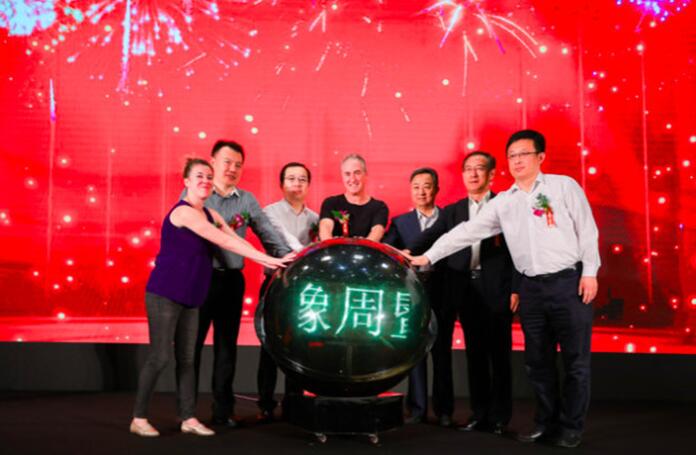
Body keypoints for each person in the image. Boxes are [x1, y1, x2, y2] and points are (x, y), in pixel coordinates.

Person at [409, 130, 600, 449]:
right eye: (512, 155)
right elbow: (467, 231)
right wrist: (428, 256)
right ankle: (546, 423)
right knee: (537, 362)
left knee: (575, 362)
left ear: (540, 157)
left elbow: (587, 229)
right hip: (531, 289)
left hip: (568, 282)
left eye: (524, 154)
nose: (518, 160)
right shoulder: (505, 202)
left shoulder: (563, 186)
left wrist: (590, 272)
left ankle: (571, 427)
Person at [130, 158, 290, 437]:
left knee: (187, 359)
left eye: (208, 176)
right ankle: (139, 418)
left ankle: (188, 418)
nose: (205, 180)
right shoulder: (184, 213)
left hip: (192, 294)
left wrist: (272, 258)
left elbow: (236, 240)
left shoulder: (211, 213)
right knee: (160, 357)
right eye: (199, 176)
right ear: (187, 182)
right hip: (165, 293)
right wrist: (268, 260)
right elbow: (222, 240)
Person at [185, 141, 293, 428]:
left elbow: (267, 232)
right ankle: (187, 412)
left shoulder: (246, 200)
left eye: (238, 165)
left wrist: (287, 257)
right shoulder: (196, 193)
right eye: (227, 162)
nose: (232, 169)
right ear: (212, 162)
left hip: (232, 281)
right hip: (199, 279)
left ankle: (223, 411)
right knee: (191, 348)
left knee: (226, 348)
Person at [409, 152, 516, 434]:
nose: (473, 174)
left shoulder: (505, 206)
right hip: (465, 289)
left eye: (479, 169)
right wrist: (405, 252)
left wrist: (516, 288)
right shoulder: (454, 210)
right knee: (475, 355)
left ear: (491, 174)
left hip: (497, 289)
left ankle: (500, 418)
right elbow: (432, 236)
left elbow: (519, 249)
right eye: (468, 169)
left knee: (499, 356)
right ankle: (479, 415)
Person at [383, 168, 448, 426]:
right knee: (416, 351)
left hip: (444, 289)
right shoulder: (401, 222)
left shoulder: (450, 218)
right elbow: (388, 249)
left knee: (442, 352)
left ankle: (444, 411)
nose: (421, 192)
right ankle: (418, 409)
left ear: (436, 189)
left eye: (427, 186)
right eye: (416, 187)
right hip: (413, 293)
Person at [256, 162, 319, 422]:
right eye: (291, 178)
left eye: (302, 179)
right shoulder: (268, 212)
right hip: (275, 283)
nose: (297, 183)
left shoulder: (316, 219)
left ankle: (294, 403)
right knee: (269, 345)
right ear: (282, 184)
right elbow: (281, 241)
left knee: (299, 346)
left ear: (308, 185)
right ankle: (265, 404)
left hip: (302, 290)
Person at [318, 154, 388, 241]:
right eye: (347, 174)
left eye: (357, 173)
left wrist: (360, 248)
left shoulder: (379, 207)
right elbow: (325, 231)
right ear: (342, 176)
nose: (352, 179)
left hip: (365, 250)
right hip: (335, 250)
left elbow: (376, 233)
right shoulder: (331, 203)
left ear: (365, 175)